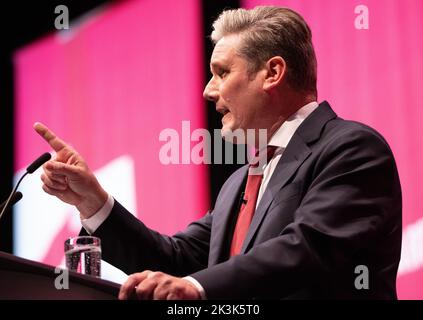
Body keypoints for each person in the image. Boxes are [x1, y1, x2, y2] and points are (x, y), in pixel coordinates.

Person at [34, 6, 402, 299]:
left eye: (222, 73)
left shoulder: (350, 149)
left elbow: (307, 249)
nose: (209, 91)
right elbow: (174, 261)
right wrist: (93, 203)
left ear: (272, 72)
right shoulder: (240, 182)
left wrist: (197, 287)